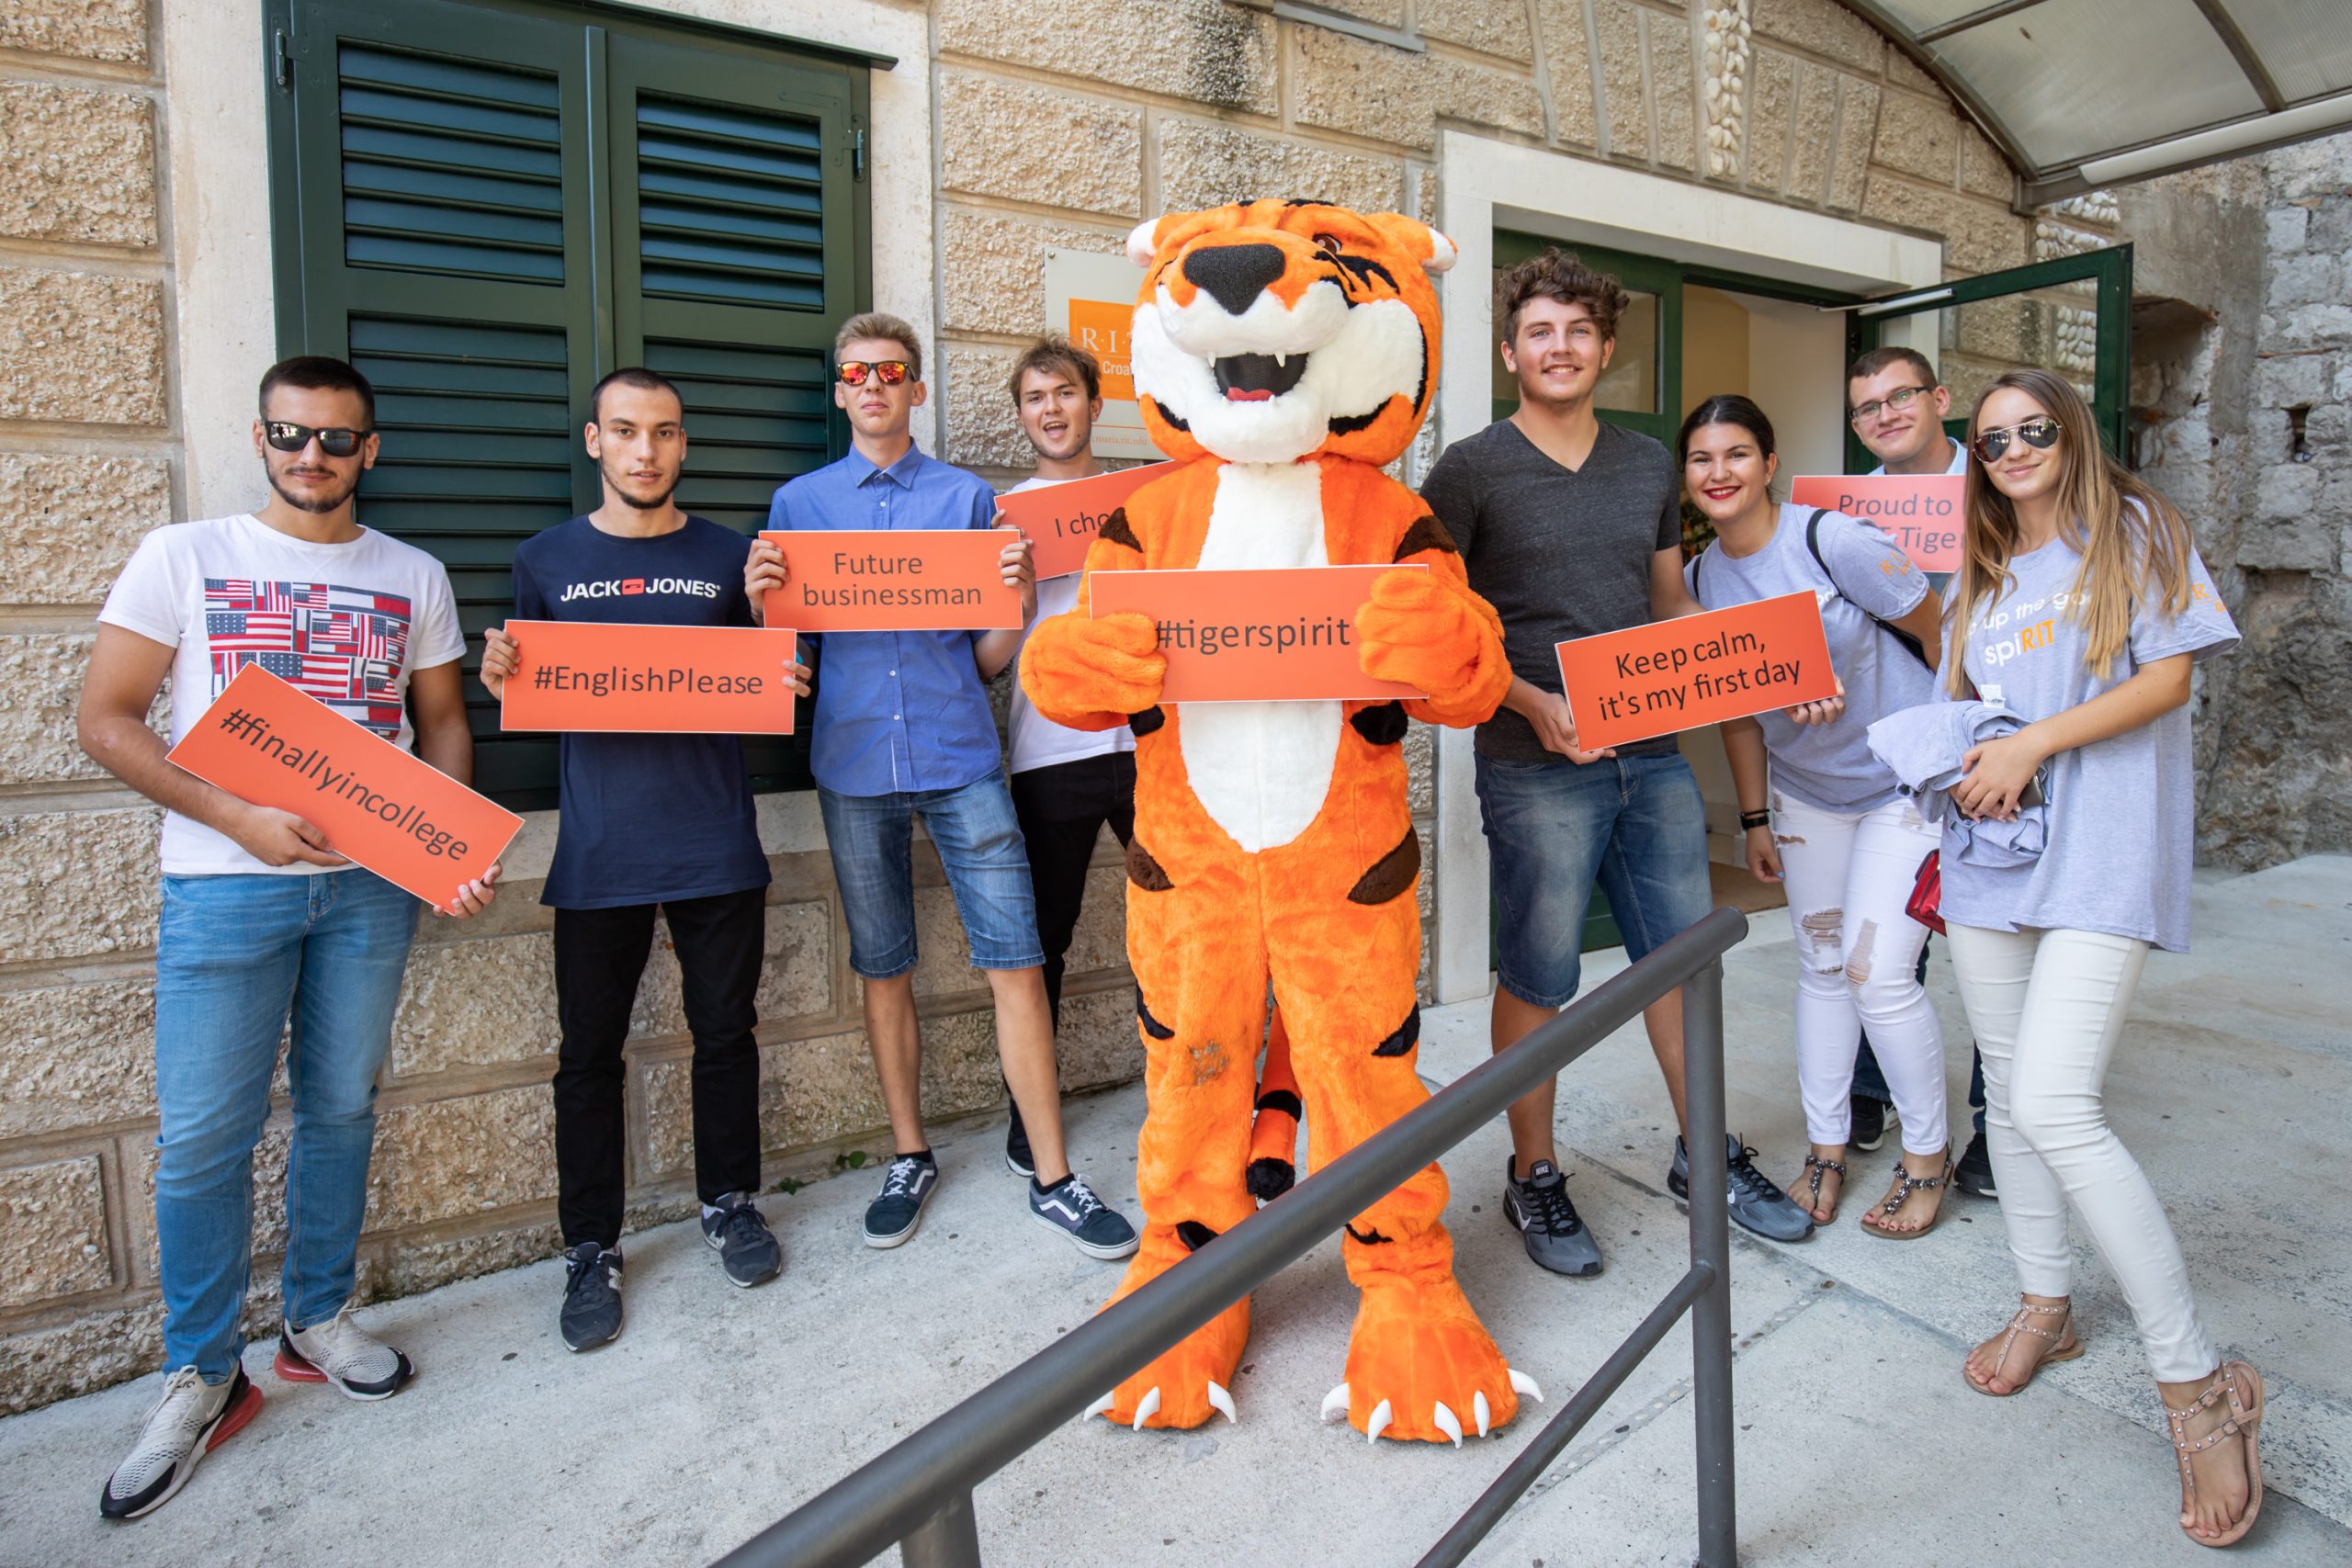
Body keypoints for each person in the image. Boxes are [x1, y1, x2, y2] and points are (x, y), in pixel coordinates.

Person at [80, 355, 498, 1519]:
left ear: (370, 450)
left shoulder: (411, 574)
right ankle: (203, 1375)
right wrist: (238, 820)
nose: (312, 455)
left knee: (341, 1110)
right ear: (262, 438)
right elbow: (105, 719)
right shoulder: (183, 555)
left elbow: (442, 723)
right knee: (202, 1141)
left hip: (369, 891)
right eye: (290, 434)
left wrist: (443, 850)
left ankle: (315, 1320)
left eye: (335, 438)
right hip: (223, 889)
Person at [1421, 250, 1815, 1277]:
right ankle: (1534, 1174)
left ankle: (1705, 1152)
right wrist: (1533, 704)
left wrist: (1755, 663)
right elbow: (1436, 625)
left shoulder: (1646, 464)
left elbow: (1669, 602)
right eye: (1539, 332)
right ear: (1509, 352)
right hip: (1532, 760)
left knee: (1680, 962)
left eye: (1579, 332)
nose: (1560, 348)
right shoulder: (1467, 470)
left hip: (1654, 758)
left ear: (1606, 350)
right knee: (1540, 974)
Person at [1939, 369, 2260, 1548]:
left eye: (2033, 429)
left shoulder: (2138, 528)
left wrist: (2030, 744)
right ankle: (2046, 1305)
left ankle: (2197, 1383)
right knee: (2009, 1096)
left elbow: (2168, 679)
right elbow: (1969, 707)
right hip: (1990, 857)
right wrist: (1959, 755)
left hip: (2103, 851)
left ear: (2070, 433)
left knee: (2055, 1103)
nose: (2013, 450)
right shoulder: (1979, 571)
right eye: (1991, 441)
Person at [751, 312, 1136, 1260]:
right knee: (883, 967)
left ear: (915, 389)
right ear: (839, 391)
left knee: (1016, 960)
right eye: (856, 373)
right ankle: (908, 1155)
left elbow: (993, 657)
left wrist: (1015, 598)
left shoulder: (968, 500)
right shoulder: (798, 505)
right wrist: (763, 611)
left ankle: (1052, 1175)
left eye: (891, 372)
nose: (873, 386)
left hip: (962, 756)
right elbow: (786, 660)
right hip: (852, 765)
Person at [478, 368, 802, 1352]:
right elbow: (532, 693)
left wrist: (782, 653)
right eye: (625, 431)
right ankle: (591, 1246)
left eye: (663, 432)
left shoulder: (732, 557)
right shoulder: (544, 560)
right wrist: (502, 674)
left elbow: (775, 676)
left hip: (714, 841)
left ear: (683, 444)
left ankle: (729, 1201)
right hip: (600, 852)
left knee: (726, 1034)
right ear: (595, 441)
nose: (645, 450)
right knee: (587, 1056)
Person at [1679, 396, 1953, 1235]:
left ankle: (1927, 1158)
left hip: (1902, 785)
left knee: (1878, 973)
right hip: (1807, 796)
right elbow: (1735, 712)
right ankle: (1827, 1150)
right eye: (1701, 458)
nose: (1719, 472)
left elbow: (1941, 634)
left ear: (1769, 464)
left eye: (1737, 454)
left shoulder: (1832, 540)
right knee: (1823, 966)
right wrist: (1754, 818)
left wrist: (1964, 752)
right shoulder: (1698, 581)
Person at [1842, 346, 1995, 1198]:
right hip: (1900, 749)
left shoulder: (2000, 482)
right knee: (1893, 930)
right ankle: (1873, 1089)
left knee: (1991, 938)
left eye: (1899, 397)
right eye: (1867, 407)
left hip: (1994, 735)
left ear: (1939, 398)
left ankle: (1994, 1126)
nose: (1885, 415)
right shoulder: (1851, 510)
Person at [997, 336, 1136, 1178]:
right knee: (1042, 938)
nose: (1051, 409)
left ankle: (1191, 1087)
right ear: (1022, 415)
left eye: (1065, 393)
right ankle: (1030, 1113)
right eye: (1035, 397)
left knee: (1175, 927)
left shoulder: (1139, 500)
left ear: (1094, 402)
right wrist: (1011, 592)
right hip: (1050, 748)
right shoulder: (1003, 517)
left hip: (1147, 741)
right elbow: (987, 651)